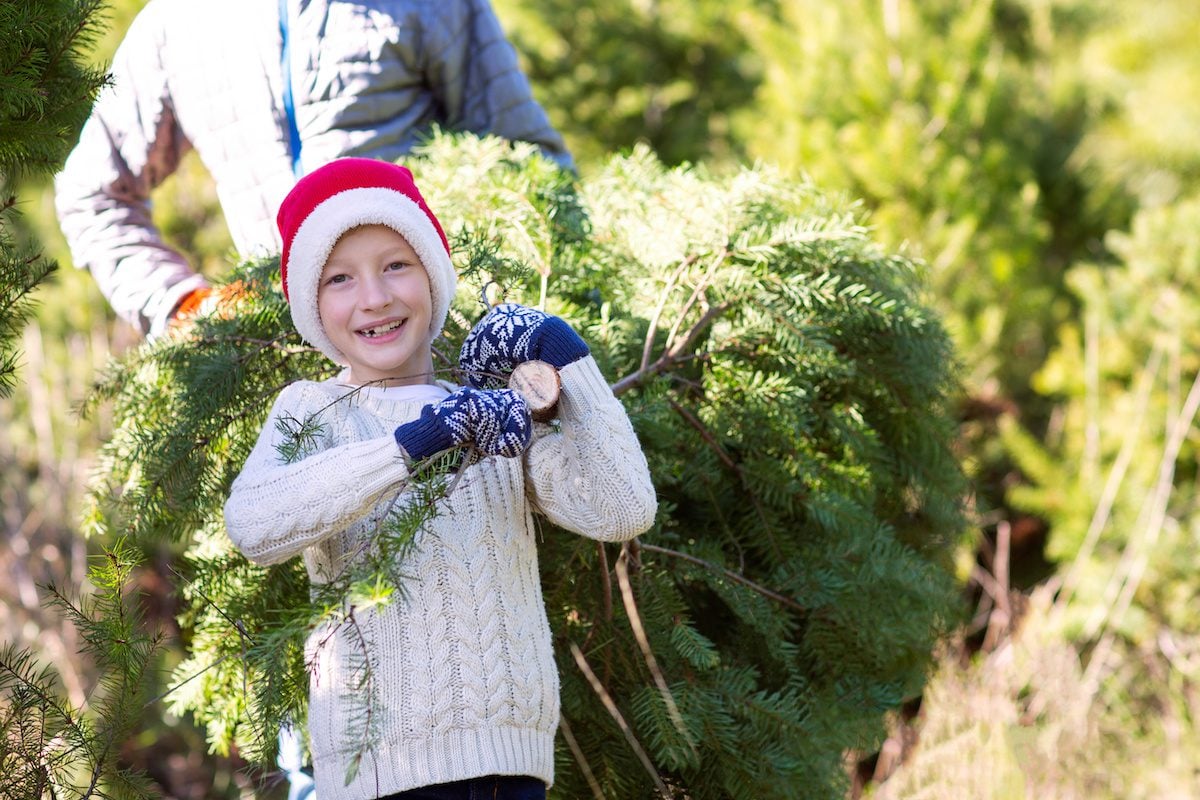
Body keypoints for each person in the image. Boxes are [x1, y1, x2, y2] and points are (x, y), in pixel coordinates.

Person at [222, 157, 657, 800]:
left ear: (433, 275)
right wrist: (416, 445)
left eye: (396, 263)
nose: (374, 297)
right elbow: (254, 526)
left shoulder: (493, 416)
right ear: (312, 305)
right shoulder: (310, 410)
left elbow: (623, 507)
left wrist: (568, 361)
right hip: (384, 773)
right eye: (340, 278)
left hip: (513, 762)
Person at [55, 0, 573, 339]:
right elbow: (93, 196)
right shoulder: (177, 23)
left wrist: (484, 292)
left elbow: (529, 159)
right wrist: (183, 304)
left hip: (437, 344)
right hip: (277, 362)